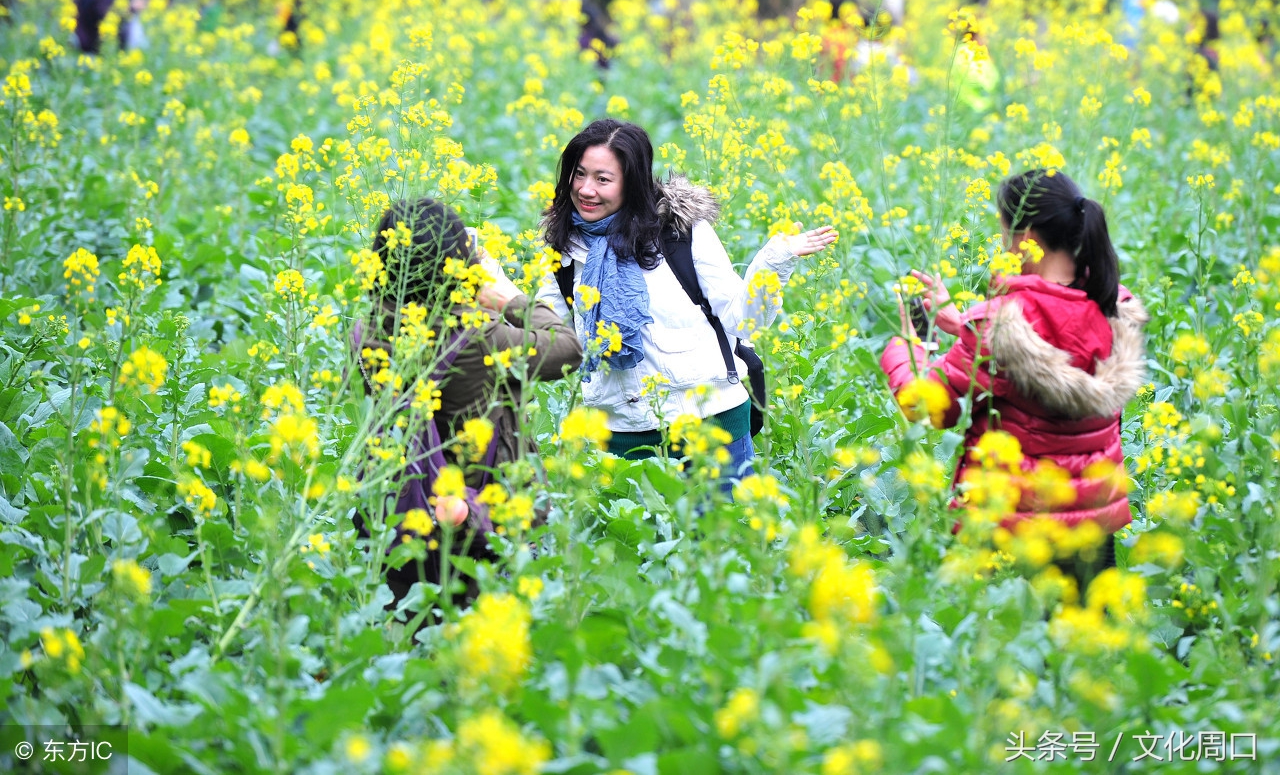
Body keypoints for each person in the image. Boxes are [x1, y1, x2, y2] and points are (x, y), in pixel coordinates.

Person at [880, 169, 1148, 590]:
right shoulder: (1114, 304)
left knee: (1010, 649)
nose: (1002, 246)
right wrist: (964, 322)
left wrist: (906, 345)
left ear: (1027, 239)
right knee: (1081, 646)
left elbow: (926, 405)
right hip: (1091, 527)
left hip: (1013, 532)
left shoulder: (999, 328)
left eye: (1004, 234)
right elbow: (1050, 330)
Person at [535, 119, 836, 493]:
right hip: (618, 433)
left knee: (723, 544)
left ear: (632, 183)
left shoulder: (681, 234)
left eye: (602, 179)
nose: (586, 190)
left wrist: (775, 261)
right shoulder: (565, 250)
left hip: (712, 426)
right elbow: (546, 337)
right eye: (579, 175)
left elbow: (745, 322)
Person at [354, 198, 582, 611]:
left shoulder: (367, 327)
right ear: (455, 264)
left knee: (411, 638)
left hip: (399, 510)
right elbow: (566, 349)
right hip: (478, 518)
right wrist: (508, 296)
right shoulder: (478, 337)